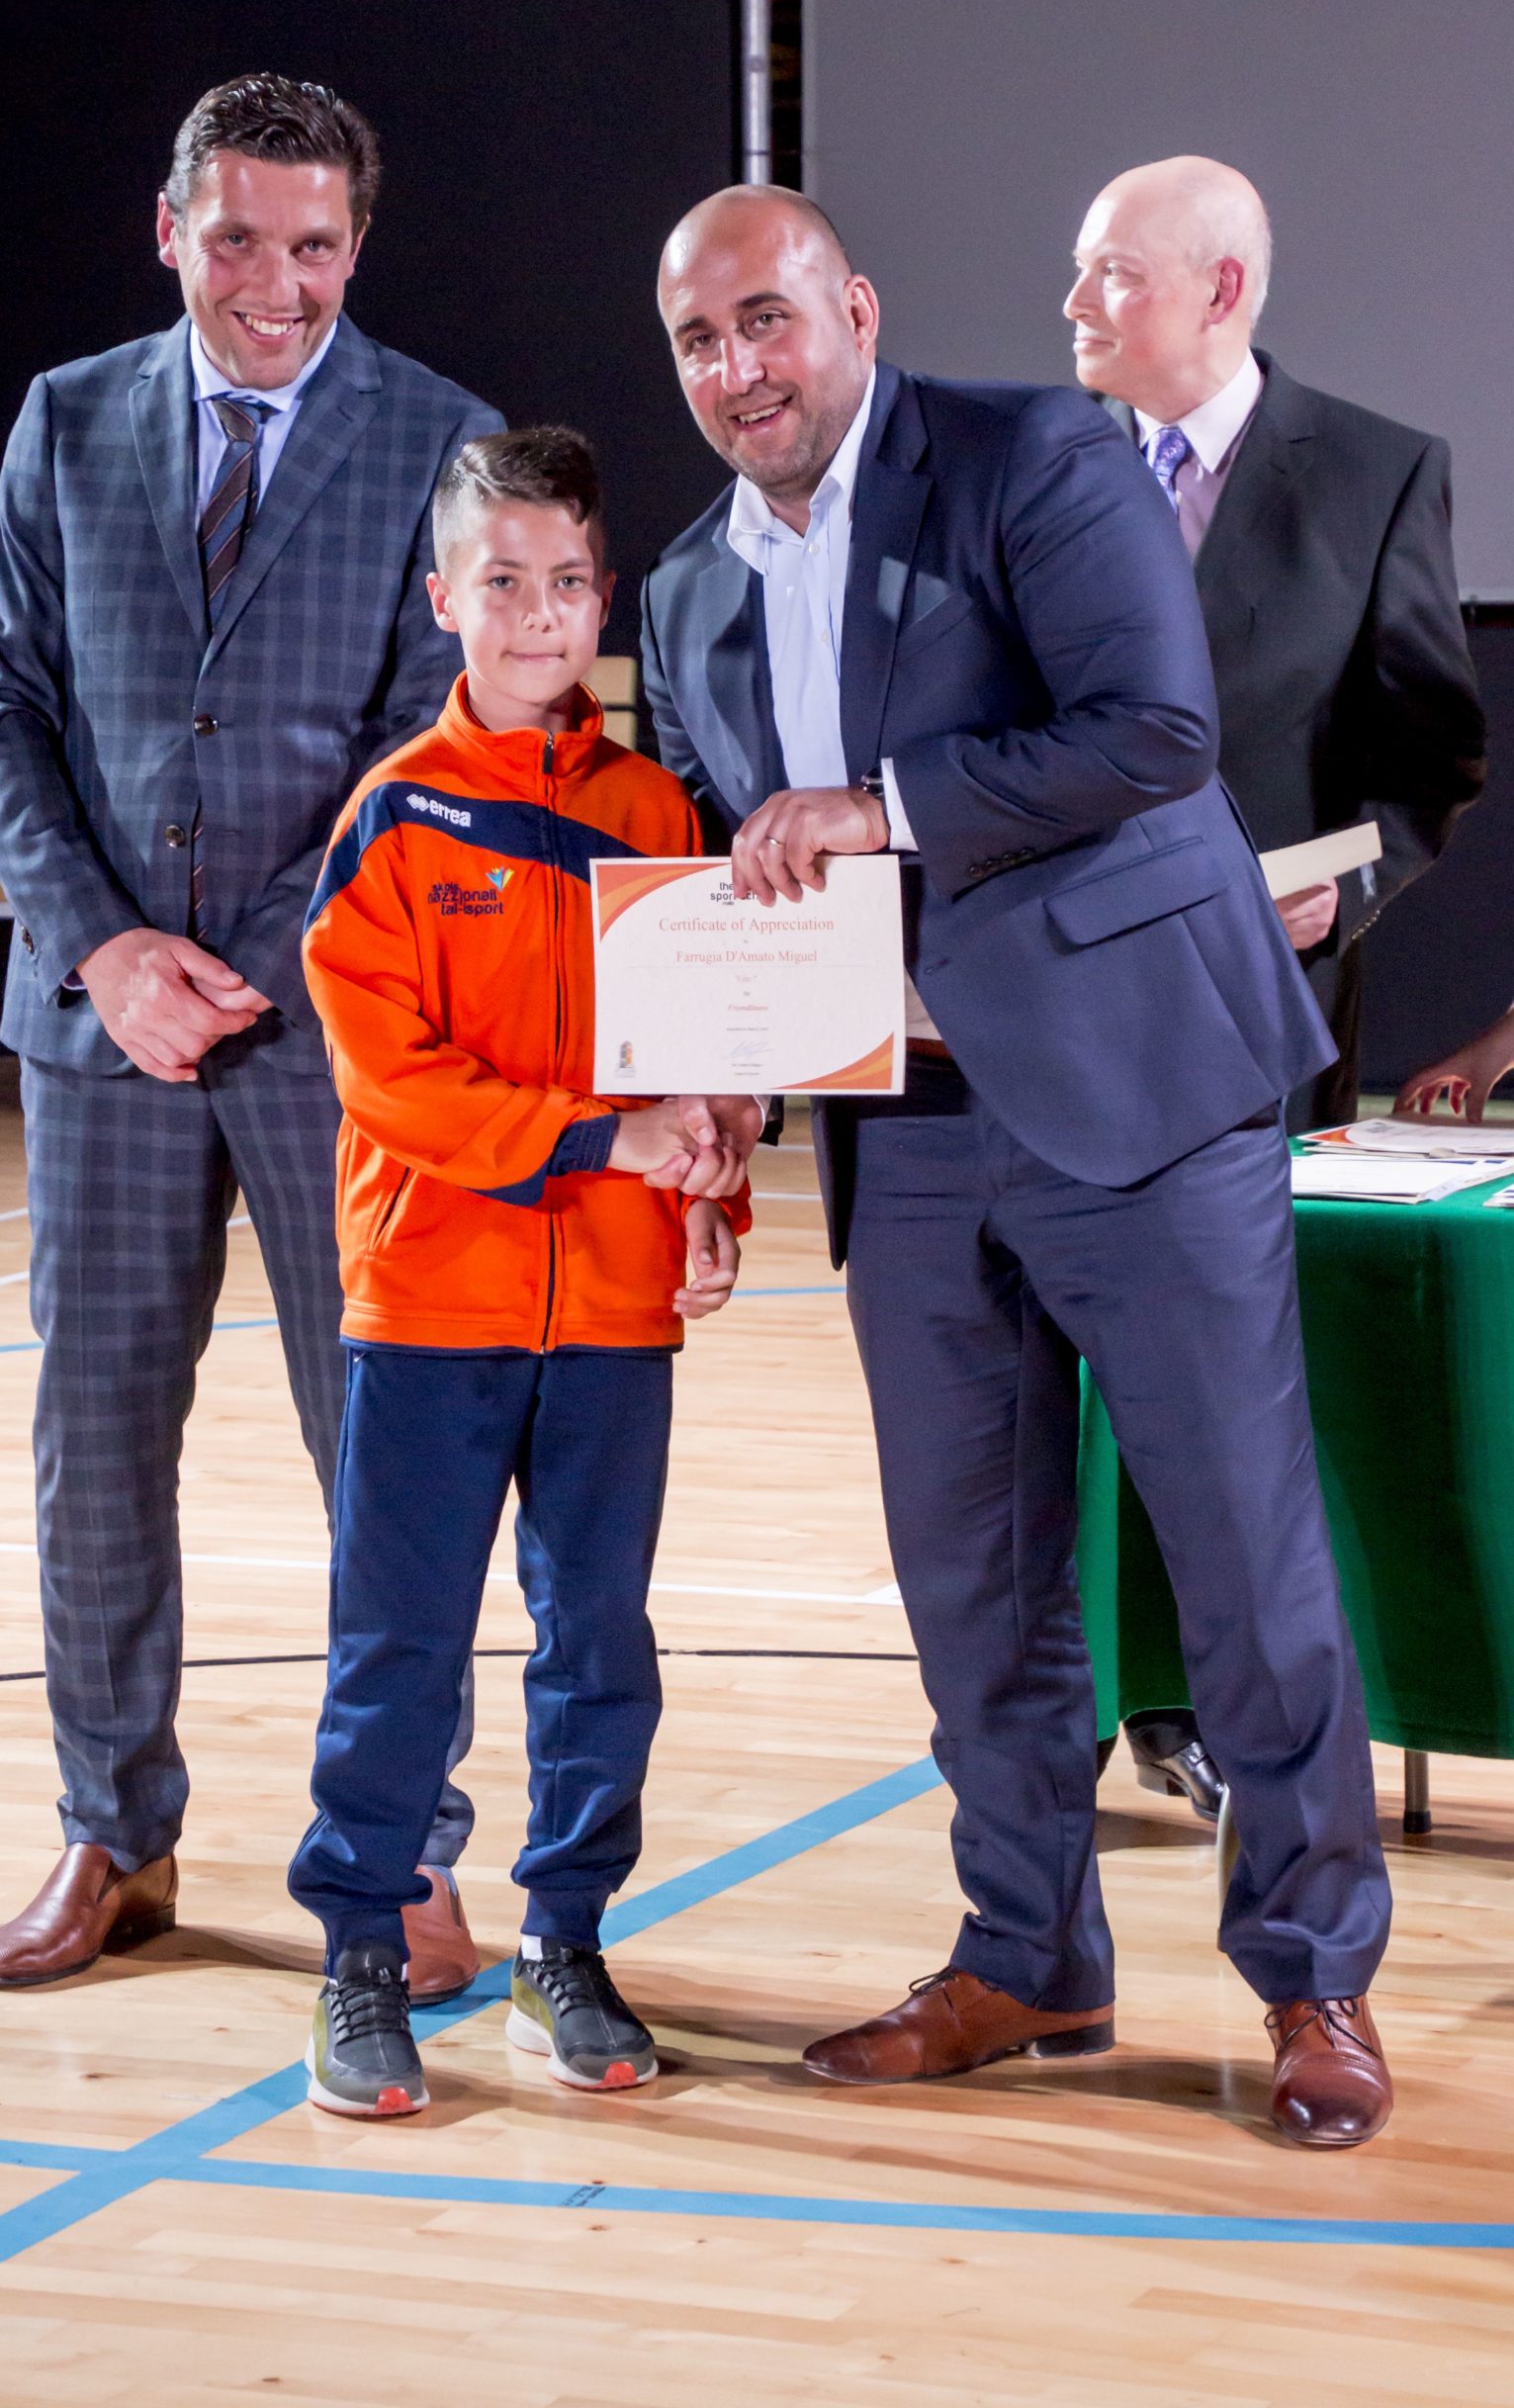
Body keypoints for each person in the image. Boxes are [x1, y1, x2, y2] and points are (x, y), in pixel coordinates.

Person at [644, 184, 1394, 2148]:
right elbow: (732, 868)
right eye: (699, 341)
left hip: (1141, 1086)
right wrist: (717, 1082)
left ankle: (1312, 1972)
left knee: (1237, 1555)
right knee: (969, 1576)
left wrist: (878, 805)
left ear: (854, 309)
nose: (739, 367)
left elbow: (1153, 731)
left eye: (767, 317)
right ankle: (1029, 1947)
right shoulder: (687, 590)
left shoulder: (1030, 454)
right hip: (903, 1123)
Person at [0, 74, 500, 1998]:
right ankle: (114, 1832)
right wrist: (108, 948)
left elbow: (431, 748)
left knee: (382, 1447)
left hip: (332, 1038)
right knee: (95, 1444)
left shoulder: (440, 440)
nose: (278, 282)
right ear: (170, 229)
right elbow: (3, 707)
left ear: (358, 246)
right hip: (100, 1029)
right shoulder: (65, 418)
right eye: (241, 238)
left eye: (317, 245)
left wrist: (248, 962)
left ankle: (403, 1848)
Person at [288, 428, 747, 2116]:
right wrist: (603, 1141)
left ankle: (568, 1937)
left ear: (604, 600)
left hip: (615, 1314)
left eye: (565, 583)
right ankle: (360, 1952)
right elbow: (392, 1083)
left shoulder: (659, 815)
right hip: (430, 1305)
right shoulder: (395, 818)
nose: (537, 614)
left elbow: (708, 1053)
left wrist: (711, 1192)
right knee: (399, 1643)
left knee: (598, 1643)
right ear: (444, 599)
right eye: (503, 582)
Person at [1065, 154, 1485, 1817]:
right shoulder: (1037, 464)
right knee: (1048, 1374)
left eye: (1113, 272)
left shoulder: (1378, 472)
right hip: (1049, 1006)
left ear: (1221, 291)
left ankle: (1211, 1698)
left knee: (1233, 1377)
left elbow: (1428, 758)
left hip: (1259, 1013)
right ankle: (1075, 1699)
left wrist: (1346, 889)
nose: (1076, 303)